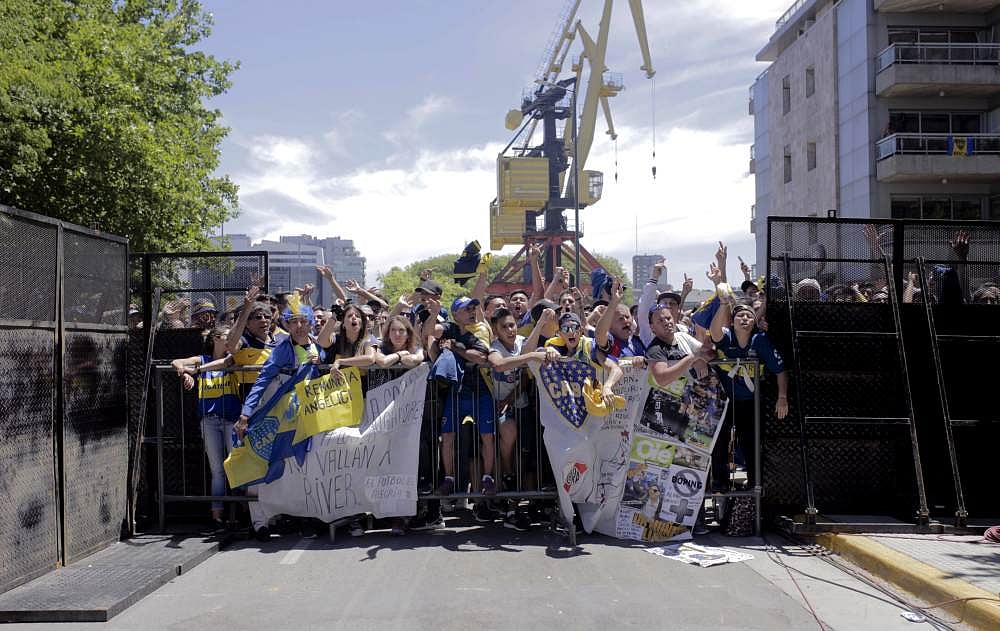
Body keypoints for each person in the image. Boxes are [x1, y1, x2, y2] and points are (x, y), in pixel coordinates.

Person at [234, 292, 322, 541]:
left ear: (309, 322)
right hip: (274, 413)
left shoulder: (316, 346)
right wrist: (246, 414)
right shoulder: (283, 349)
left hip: (304, 416)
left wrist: (321, 363)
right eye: (292, 321)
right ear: (286, 323)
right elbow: (262, 380)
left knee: (300, 464)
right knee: (262, 459)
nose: (298, 325)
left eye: (302, 320)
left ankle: (302, 515)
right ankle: (259, 521)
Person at [708, 265, 789, 491]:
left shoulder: (760, 341)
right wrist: (724, 303)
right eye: (740, 315)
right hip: (724, 402)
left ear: (754, 322)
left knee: (751, 443)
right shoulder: (727, 336)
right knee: (720, 443)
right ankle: (720, 484)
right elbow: (714, 332)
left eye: (749, 316)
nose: (744, 318)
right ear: (732, 321)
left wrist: (782, 397)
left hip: (749, 402)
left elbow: (780, 370)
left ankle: (754, 486)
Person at [429, 296, 499, 522]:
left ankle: (487, 477)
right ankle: (448, 478)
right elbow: (431, 331)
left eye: (473, 308)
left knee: (487, 436)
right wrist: (434, 312)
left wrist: (457, 347)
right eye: (467, 309)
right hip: (458, 392)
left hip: (481, 391)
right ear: (456, 313)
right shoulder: (448, 327)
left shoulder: (474, 334)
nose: (472, 312)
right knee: (447, 436)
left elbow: (480, 357)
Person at [486, 307, 549, 531]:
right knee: (508, 438)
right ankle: (509, 483)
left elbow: (524, 373)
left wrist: (541, 321)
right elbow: (499, 364)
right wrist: (530, 356)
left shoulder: (522, 341)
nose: (510, 330)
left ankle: (520, 504)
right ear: (496, 330)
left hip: (522, 406)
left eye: (512, 325)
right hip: (501, 410)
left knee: (526, 454)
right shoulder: (494, 347)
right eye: (504, 327)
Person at [171, 325, 240, 529]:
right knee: (217, 470)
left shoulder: (233, 358)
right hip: (210, 420)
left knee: (235, 467)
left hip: (231, 419)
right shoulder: (202, 360)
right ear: (216, 338)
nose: (231, 340)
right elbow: (177, 361)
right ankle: (217, 515)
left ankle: (240, 514)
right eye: (227, 336)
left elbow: (227, 363)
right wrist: (184, 373)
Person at [593, 278, 647, 365]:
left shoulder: (639, 341)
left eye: (627, 317)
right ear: (610, 325)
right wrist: (614, 301)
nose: (626, 321)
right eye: (621, 319)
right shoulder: (611, 342)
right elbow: (599, 334)